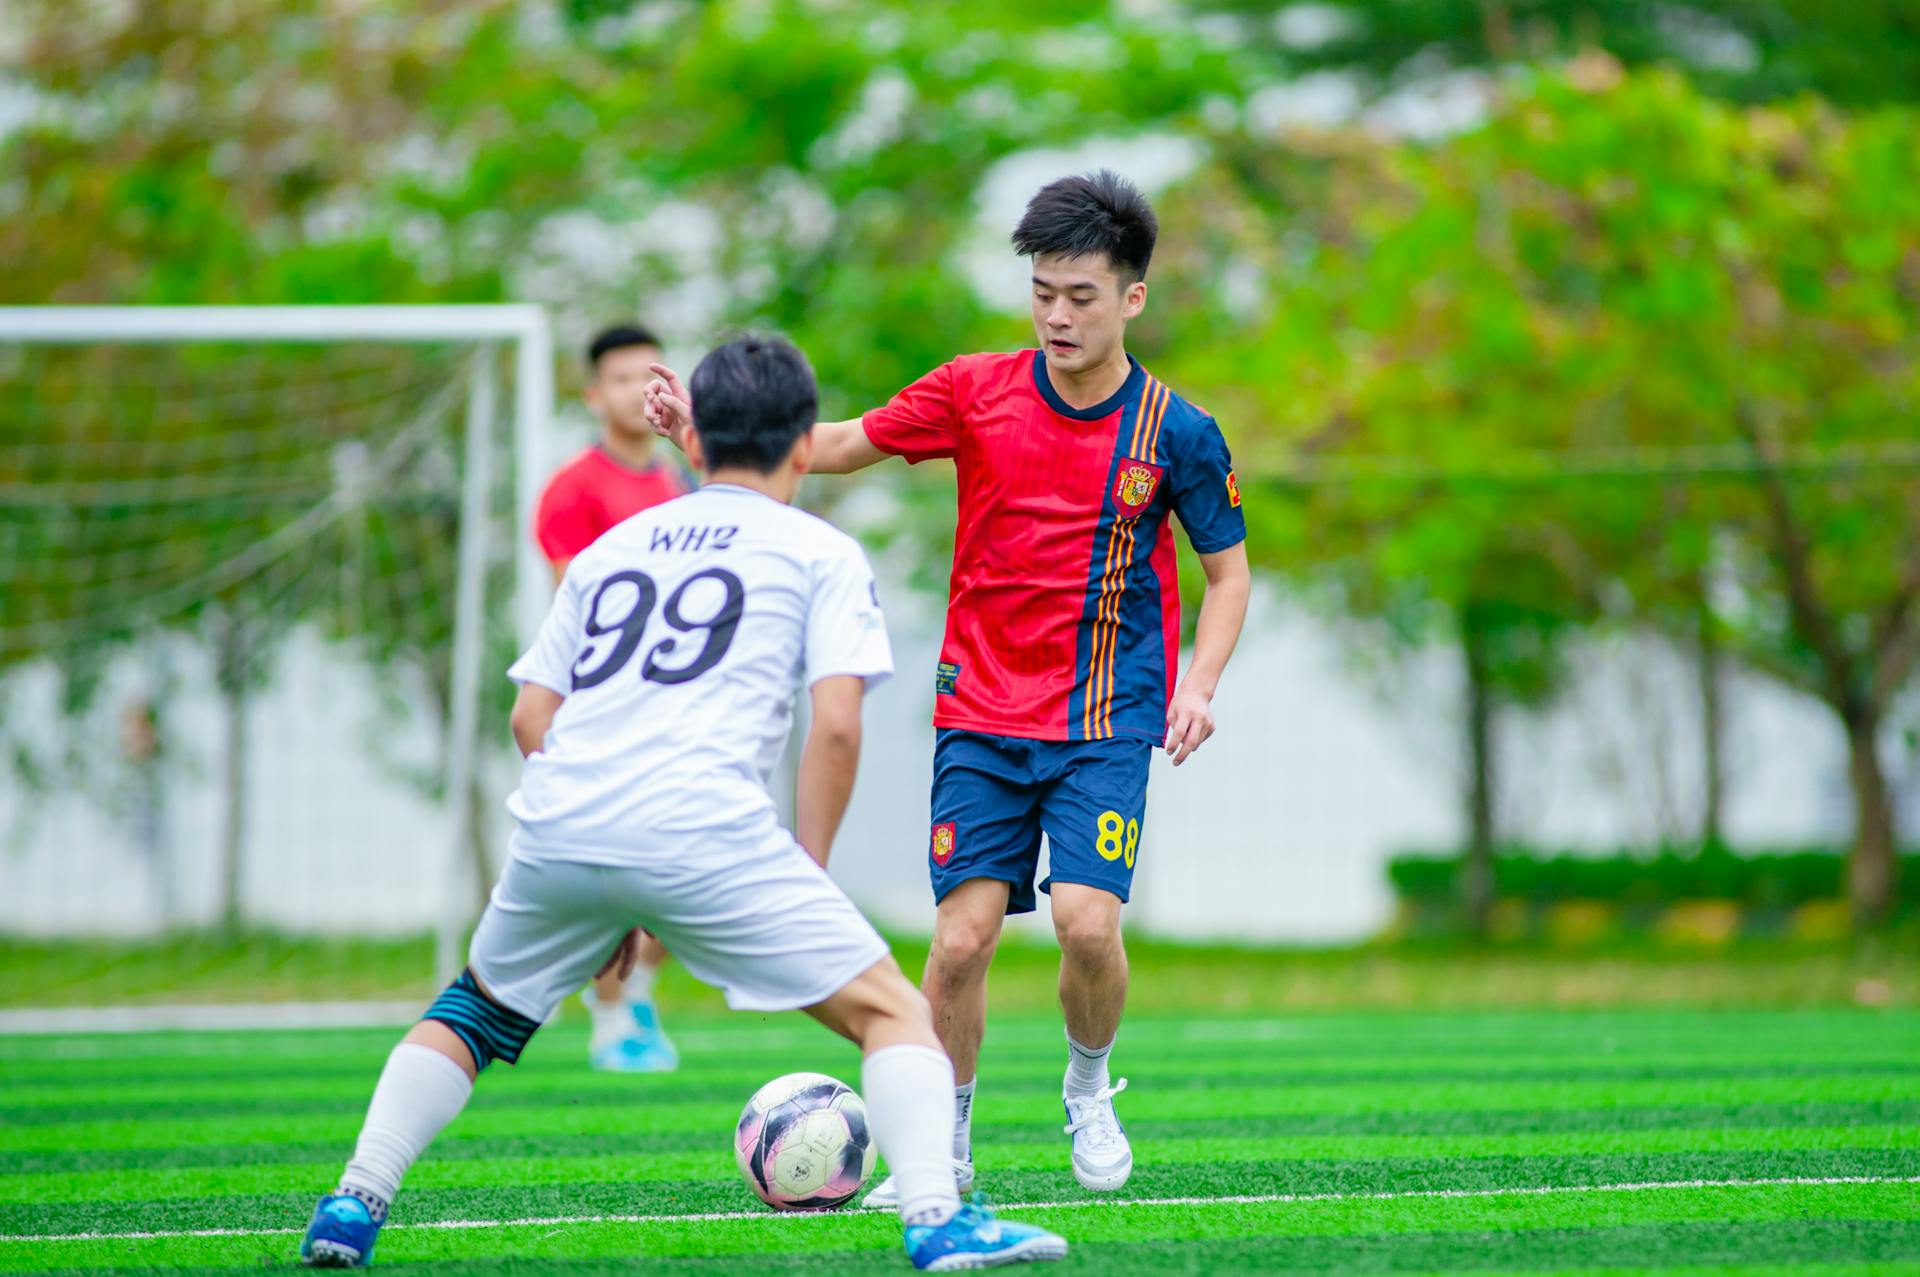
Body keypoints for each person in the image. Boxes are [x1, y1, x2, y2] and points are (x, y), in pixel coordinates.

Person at [298, 335, 1068, 1271]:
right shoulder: (819, 550)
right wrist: (804, 867)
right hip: (704, 825)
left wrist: (604, 880)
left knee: (472, 1010)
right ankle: (940, 1219)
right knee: (895, 1014)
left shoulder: (609, 549)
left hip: (563, 817)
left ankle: (353, 1200)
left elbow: (530, 713)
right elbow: (834, 727)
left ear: (694, 445)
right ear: (801, 448)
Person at [646, 172, 1251, 1202]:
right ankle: (947, 1147)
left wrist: (1200, 682)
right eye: (1043, 291)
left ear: (1132, 299)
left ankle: (1090, 1085)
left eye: (1082, 296)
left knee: (1086, 925)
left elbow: (1229, 571)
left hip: (1105, 715)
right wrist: (695, 436)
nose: (1057, 314)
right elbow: (827, 448)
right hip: (979, 709)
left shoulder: (1176, 432)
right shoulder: (974, 388)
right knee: (961, 940)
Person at [534, 323, 691, 1072]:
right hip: (606, 713)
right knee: (612, 869)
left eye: (650, 375)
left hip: (681, 708)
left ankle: (639, 995)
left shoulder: (682, 482)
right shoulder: (574, 487)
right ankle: (608, 1015)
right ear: (596, 395)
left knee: (682, 866)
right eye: (622, 378)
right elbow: (579, 609)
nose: (640, 389)